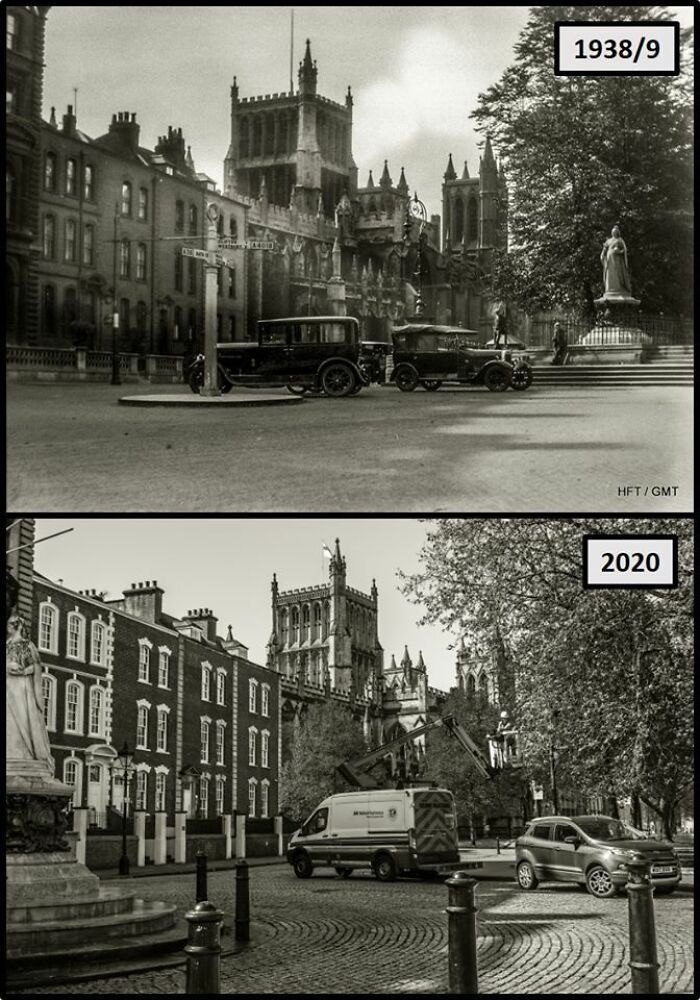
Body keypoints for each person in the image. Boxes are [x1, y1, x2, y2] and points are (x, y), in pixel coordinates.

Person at [6, 614, 54, 770]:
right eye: (8, 623)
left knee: (22, 718)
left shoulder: (27, 645)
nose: (8, 626)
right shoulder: (6, 645)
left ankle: (25, 751)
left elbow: (36, 667)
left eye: (11, 623)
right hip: (8, 686)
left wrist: (22, 672)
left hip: (21, 687)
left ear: (19, 626)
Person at [600, 225, 632, 296]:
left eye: (615, 232)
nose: (614, 233)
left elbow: (624, 250)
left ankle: (620, 288)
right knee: (610, 273)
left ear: (617, 233)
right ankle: (610, 288)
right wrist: (602, 255)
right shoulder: (608, 241)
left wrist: (619, 251)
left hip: (617, 260)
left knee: (618, 273)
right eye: (613, 232)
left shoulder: (620, 240)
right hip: (609, 260)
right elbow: (604, 250)